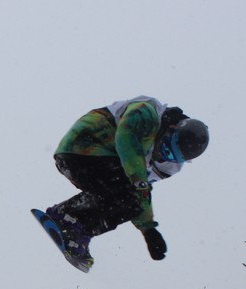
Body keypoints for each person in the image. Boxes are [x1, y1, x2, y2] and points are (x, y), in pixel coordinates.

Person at [42, 95, 209, 270]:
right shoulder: (147, 113)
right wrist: (139, 183)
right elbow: (125, 142)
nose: (162, 153)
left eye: (171, 156)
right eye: (166, 147)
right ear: (171, 128)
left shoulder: (168, 166)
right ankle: (66, 215)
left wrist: (148, 229)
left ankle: (79, 229)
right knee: (130, 190)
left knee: (130, 202)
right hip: (84, 148)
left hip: (98, 165)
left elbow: (139, 192)